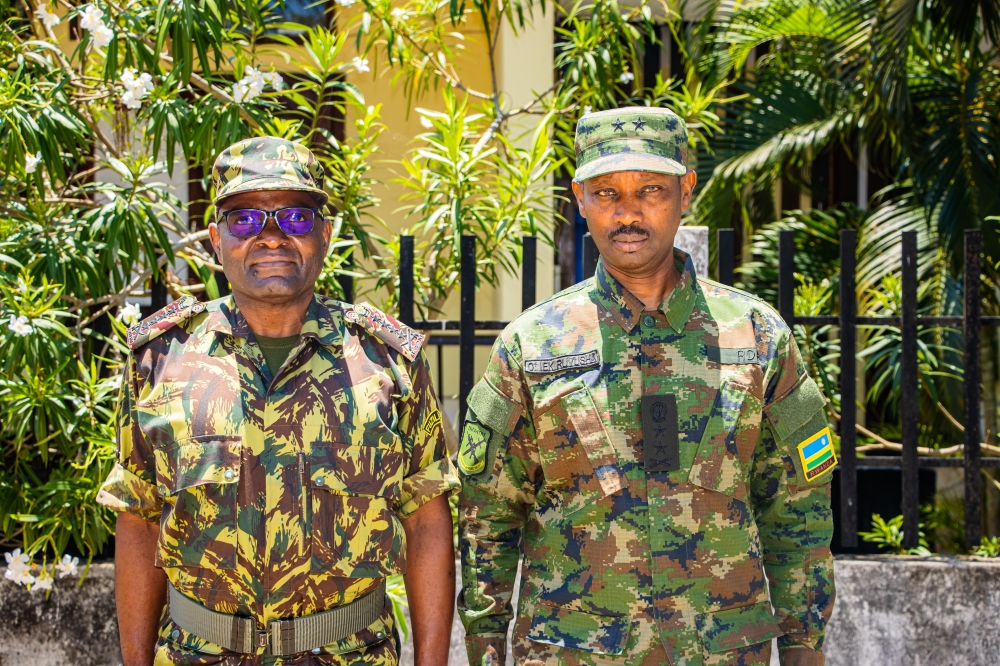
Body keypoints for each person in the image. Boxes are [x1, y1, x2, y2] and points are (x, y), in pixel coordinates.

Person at [457, 107, 836, 666]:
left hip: (722, 650)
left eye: (650, 190)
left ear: (686, 191)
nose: (627, 212)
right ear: (579, 198)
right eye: (606, 192)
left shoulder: (759, 338)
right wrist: (485, 649)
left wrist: (805, 649)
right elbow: (487, 516)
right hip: (573, 650)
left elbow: (798, 513)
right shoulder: (531, 345)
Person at [97, 137, 459, 666]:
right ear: (217, 241)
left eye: (294, 217)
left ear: (325, 235)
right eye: (244, 219)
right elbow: (138, 516)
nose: (270, 237)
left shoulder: (387, 364)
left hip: (350, 652)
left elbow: (426, 518)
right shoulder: (160, 360)